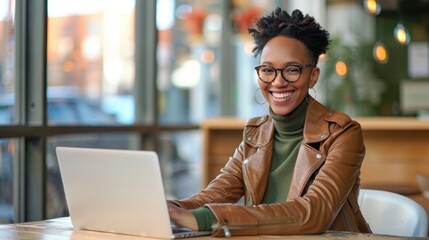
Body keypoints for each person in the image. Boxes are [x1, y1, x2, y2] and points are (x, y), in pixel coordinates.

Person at [168, 7, 371, 237]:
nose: (278, 81)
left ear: (313, 76)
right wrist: (169, 209)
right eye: (267, 70)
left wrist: (209, 218)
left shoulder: (342, 134)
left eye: (292, 70)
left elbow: (314, 213)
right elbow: (212, 196)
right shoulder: (256, 135)